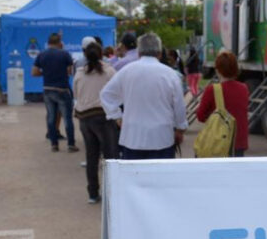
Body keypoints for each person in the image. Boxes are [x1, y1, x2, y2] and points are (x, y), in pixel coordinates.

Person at [100, 32, 188, 159]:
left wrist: (117, 117)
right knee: (161, 178)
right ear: (159, 53)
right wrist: (180, 129)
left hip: (132, 137)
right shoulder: (171, 75)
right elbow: (179, 107)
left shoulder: (126, 71)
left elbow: (106, 94)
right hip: (162, 137)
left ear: (139, 52)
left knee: (133, 178)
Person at [73, 42, 119, 203]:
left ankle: (93, 193)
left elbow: (76, 93)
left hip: (85, 117)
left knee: (91, 156)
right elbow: (118, 92)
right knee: (110, 156)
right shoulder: (109, 71)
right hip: (104, 117)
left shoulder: (79, 73)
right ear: (102, 54)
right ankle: (111, 193)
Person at [196, 51, 249, 157]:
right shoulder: (244, 88)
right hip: (238, 142)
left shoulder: (212, 90)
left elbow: (200, 116)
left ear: (218, 70)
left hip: (219, 143)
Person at [32, 33, 78, 152]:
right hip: (62, 89)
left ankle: (54, 144)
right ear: (59, 43)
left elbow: (34, 72)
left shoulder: (41, 55)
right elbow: (69, 71)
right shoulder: (64, 54)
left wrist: (46, 73)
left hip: (48, 90)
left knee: (51, 117)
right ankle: (71, 144)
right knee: (67, 118)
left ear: (48, 43)